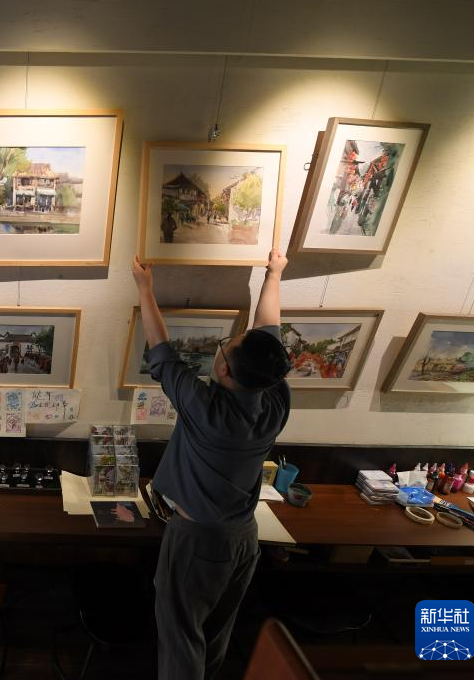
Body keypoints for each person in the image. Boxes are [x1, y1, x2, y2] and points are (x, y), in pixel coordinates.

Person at [132, 248, 292, 680]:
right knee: (216, 631)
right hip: (242, 538)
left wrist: (145, 288)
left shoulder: (208, 411)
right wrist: (274, 275)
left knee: (181, 637)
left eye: (226, 346)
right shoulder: (274, 399)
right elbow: (269, 331)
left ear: (223, 370)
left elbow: (161, 352)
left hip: (198, 540)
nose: (227, 344)